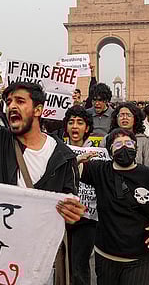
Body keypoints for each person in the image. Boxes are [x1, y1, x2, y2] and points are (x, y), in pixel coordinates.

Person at [0, 45, 85, 285]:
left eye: (20, 101)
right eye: (9, 101)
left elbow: (71, 200)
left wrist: (74, 214)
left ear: (38, 110)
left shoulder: (64, 156)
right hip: (1, 251)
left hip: (42, 260)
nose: (11, 106)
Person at [81, 128, 149, 285]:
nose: (124, 147)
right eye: (118, 144)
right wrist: (78, 160)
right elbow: (69, 170)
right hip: (106, 255)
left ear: (136, 148)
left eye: (129, 143)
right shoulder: (99, 170)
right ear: (110, 151)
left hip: (141, 257)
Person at [62, 105, 97, 285]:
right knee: (63, 263)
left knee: (79, 265)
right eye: (71, 122)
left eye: (80, 122)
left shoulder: (99, 154)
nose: (75, 126)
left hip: (87, 218)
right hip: (62, 215)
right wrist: (75, 162)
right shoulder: (57, 151)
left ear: (87, 128)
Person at [100, 102, 149, 168]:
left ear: (135, 118)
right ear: (116, 118)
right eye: (121, 115)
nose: (124, 118)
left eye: (128, 115)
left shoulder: (144, 141)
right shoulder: (107, 139)